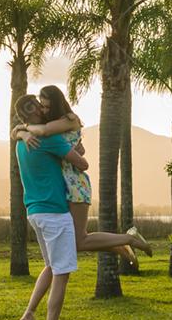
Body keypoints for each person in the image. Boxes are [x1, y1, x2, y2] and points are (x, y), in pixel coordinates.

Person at [13, 85, 153, 263]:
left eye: (47, 106)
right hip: (66, 184)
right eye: (42, 105)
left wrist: (24, 129)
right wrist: (21, 132)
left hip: (76, 183)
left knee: (79, 240)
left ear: (57, 104)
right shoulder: (52, 125)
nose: (43, 109)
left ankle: (128, 239)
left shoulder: (69, 119)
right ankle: (121, 245)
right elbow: (34, 134)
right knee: (78, 240)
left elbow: (44, 131)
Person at [11, 94, 86, 320]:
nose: (45, 109)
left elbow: (19, 133)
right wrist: (75, 151)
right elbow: (83, 163)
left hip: (34, 212)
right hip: (55, 213)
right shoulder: (48, 139)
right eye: (40, 106)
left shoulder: (22, 143)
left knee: (51, 267)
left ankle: (28, 315)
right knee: (61, 275)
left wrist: (20, 132)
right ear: (34, 112)